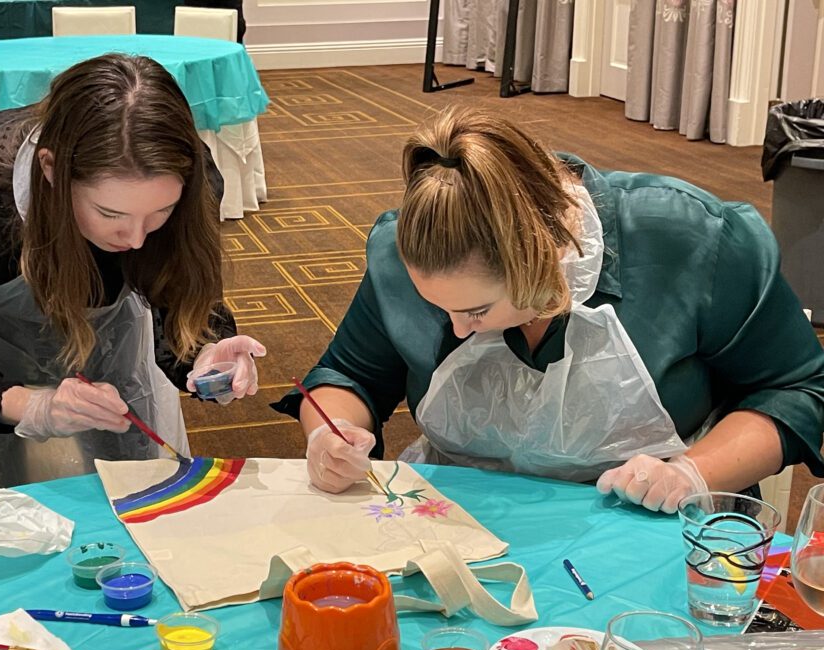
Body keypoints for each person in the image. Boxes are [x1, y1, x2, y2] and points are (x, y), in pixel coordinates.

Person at [274, 106, 824, 513]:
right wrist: (331, 432)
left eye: (477, 310)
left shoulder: (691, 240)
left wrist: (693, 473)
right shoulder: (409, 253)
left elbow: (799, 390)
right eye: (439, 308)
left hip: (648, 521)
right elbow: (350, 374)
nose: (458, 328)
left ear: (547, 253)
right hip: (463, 519)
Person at [0, 54, 265, 487]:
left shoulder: (189, 177)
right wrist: (36, 407)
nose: (135, 239)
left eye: (160, 213)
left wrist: (206, 354)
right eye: (110, 213)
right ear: (52, 170)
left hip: (117, 340)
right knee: (9, 517)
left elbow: (179, 297)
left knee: (137, 492)